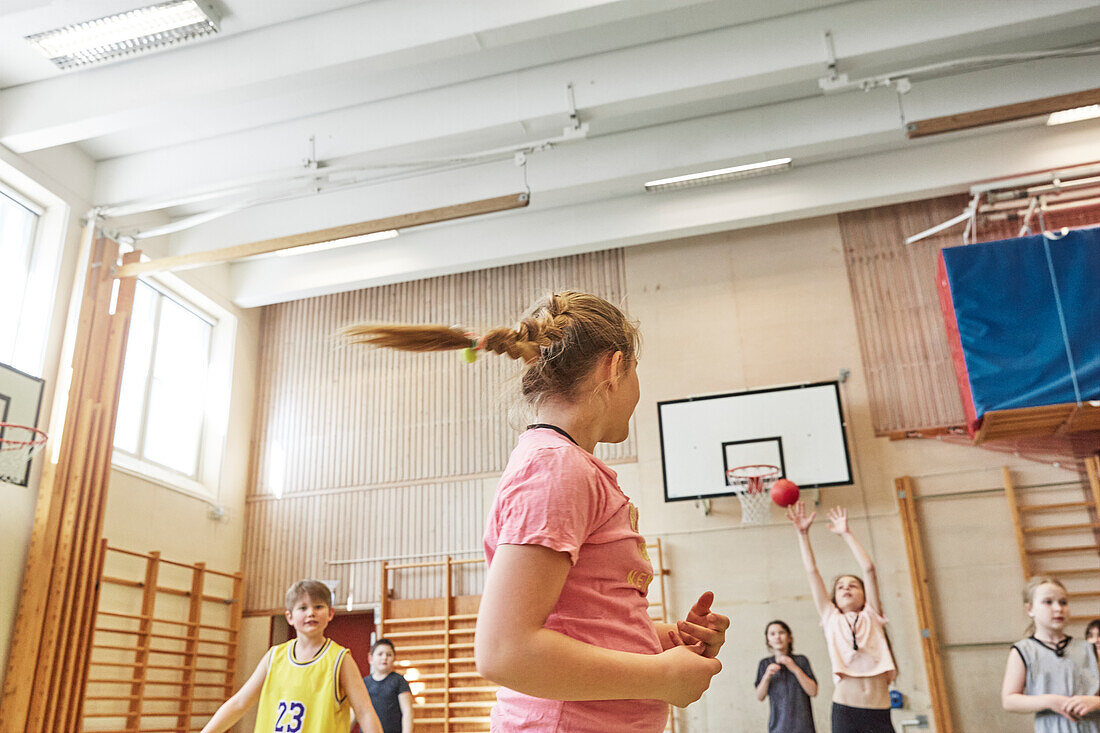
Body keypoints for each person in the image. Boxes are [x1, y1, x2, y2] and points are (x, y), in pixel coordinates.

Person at [342, 291, 727, 732]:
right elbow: (505, 650)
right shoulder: (555, 468)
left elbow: (580, 625)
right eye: (636, 370)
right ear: (614, 366)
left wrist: (666, 642)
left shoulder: (568, 466)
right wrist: (661, 676)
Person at [200, 580, 382, 733]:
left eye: (318, 606)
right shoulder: (274, 657)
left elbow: (364, 711)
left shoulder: (340, 659)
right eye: (303, 607)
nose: (311, 612)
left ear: (330, 613)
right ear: (289, 617)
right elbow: (240, 702)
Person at [786, 502, 897, 733]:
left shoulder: (872, 614)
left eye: (853, 586)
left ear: (864, 594)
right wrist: (803, 535)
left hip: (880, 712)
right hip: (847, 710)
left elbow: (869, 569)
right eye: (841, 587)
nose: (847, 589)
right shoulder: (831, 617)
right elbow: (811, 571)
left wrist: (846, 533)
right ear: (834, 597)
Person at [1001, 577, 1100, 732]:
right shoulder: (1023, 651)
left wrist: (1096, 702)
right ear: (1030, 609)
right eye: (1048, 602)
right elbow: (1009, 700)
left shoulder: (1089, 649)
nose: (1058, 608)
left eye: (1063, 602)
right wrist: (1049, 701)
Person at [755, 619, 817, 733]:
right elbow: (760, 696)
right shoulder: (764, 664)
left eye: (781, 632)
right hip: (777, 727)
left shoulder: (801, 660)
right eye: (772, 634)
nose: (777, 637)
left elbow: (813, 691)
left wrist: (794, 668)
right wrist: (767, 676)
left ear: (789, 637)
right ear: (768, 640)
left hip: (804, 727)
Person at [363, 638, 413, 733]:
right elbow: (356, 712)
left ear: (394, 658)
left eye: (389, 654)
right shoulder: (364, 683)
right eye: (380, 654)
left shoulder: (399, 681)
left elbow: (407, 711)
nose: (384, 657)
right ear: (371, 658)